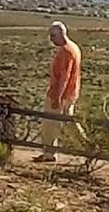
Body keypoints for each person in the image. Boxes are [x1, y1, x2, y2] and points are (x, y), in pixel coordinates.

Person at [35, 20, 84, 162]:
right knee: (69, 122)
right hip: (71, 93)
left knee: (50, 124)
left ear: (60, 34)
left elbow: (64, 76)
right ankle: (88, 146)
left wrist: (57, 96)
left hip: (61, 94)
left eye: (53, 36)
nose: (51, 39)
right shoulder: (74, 48)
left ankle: (49, 153)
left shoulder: (66, 51)